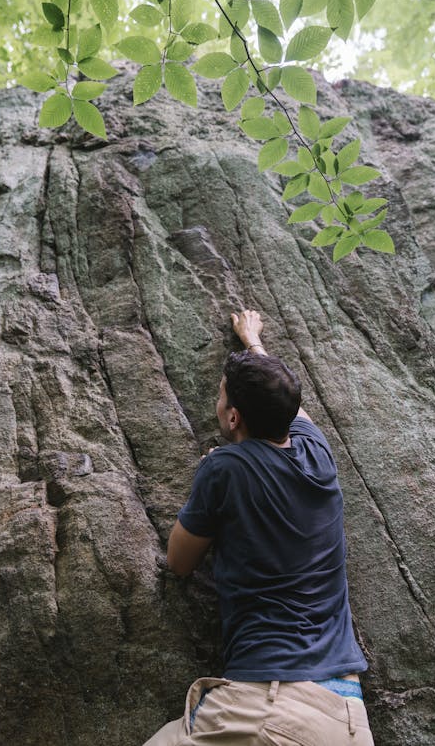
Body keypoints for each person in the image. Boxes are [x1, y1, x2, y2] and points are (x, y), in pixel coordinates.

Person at [144, 309, 375, 745]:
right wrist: (252, 342)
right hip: (347, 714)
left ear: (233, 418)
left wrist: (212, 477)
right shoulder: (317, 453)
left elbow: (178, 562)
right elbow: (287, 401)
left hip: (270, 707)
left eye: (221, 397)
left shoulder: (225, 468)